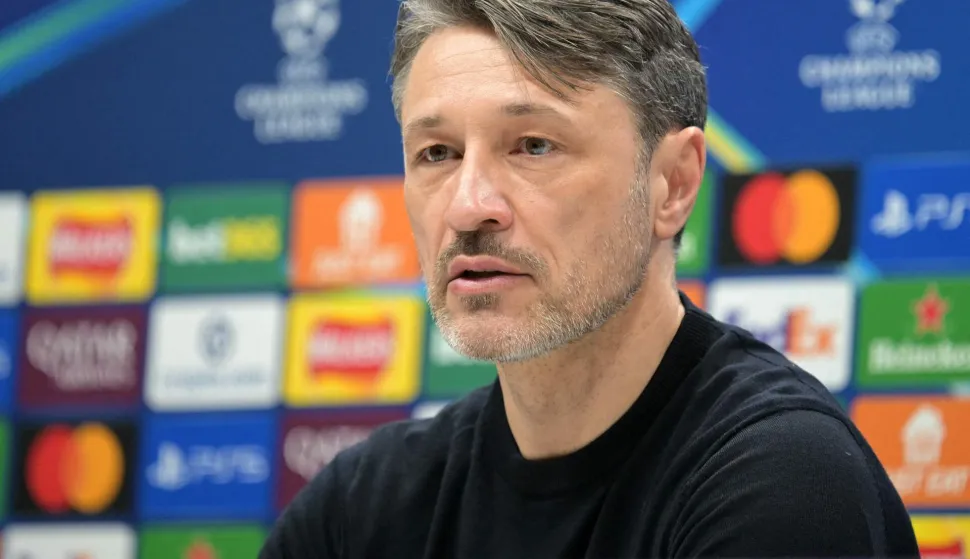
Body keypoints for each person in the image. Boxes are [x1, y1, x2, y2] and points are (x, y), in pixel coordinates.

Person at [261, 0, 920, 557]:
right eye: (438, 153)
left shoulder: (781, 481)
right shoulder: (360, 509)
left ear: (673, 183)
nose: (467, 204)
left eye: (533, 146)